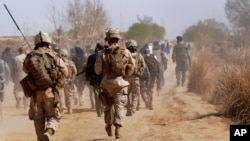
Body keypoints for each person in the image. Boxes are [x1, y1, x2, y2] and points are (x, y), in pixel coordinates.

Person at [22, 32, 68, 141]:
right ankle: (49, 131)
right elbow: (65, 71)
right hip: (50, 92)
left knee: (38, 119)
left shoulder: (30, 56)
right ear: (48, 42)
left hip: (35, 94)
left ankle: (40, 137)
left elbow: (25, 70)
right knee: (53, 116)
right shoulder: (53, 55)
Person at [94, 28, 135, 139]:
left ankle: (109, 125)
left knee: (108, 106)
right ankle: (118, 129)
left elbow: (97, 71)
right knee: (119, 106)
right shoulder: (126, 52)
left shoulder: (101, 53)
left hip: (106, 83)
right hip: (120, 83)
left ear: (107, 40)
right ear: (118, 39)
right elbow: (132, 65)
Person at [125, 39, 145, 116]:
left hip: (126, 78)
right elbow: (143, 65)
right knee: (135, 95)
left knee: (125, 95)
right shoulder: (139, 55)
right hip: (136, 78)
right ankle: (133, 109)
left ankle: (128, 110)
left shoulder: (125, 55)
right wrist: (139, 73)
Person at [86, 43, 104, 117]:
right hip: (103, 79)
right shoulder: (104, 56)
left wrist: (87, 78)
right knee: (103, 94)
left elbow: (88, 69)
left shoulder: (91, 57)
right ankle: (102, 108)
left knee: (96, 95)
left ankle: (98, 111)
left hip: (94, 79)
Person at [59, 49, 77, 114]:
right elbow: (75, 72)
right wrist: (72, 80)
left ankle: (63, 109)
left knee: (61, 96)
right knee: (68, 95)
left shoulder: (58, 63)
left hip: (61, 81)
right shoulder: (70, 63)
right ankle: (69, 108)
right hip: (68, 81)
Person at [143, 45, 160, 110]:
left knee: (147, 91)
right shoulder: (153, 58)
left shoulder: (143, 58)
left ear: (144, 52)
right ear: (149, 51)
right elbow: (158, 67)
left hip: (146, 77)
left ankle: (148, 103)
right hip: (154, 76)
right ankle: (151, 104)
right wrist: (158, 76)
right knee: (152, 91)